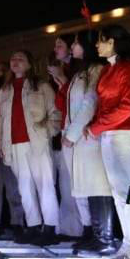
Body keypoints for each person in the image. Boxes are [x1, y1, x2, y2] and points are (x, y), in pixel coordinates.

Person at [88, 25, 130, 259]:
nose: (96, 45)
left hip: (125, 133)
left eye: (101, 40)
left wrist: (96, 126)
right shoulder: (108, 70)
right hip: (109, 134)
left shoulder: (127, 68)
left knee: (126, 191)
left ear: (113, 42)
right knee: (118, 192)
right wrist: (99, 127)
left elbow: (127, 107)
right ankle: (129, 242)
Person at [0, 50, 62, 244]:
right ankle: (33, 226)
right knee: (24, 188)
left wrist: (46, 131)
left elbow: (55, 113)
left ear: (30, 64)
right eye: (13, 59)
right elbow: (0, 120)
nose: (15, 61)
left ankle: (50, 228)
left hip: (37, 142)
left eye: (20, 59)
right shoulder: (4, 90)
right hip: (15, 145)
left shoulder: (41, 87)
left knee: (46, 185)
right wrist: (1, 143)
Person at [62, 30, 113, 255]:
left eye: (76, 43)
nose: (72, 46)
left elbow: (90, 103)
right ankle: (95, 234)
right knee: (88, 187)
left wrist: (72, 134)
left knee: (98, 186)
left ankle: (105, 237)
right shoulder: (81, 72)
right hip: (80, 136)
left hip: (91, 137)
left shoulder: (96, 70)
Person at [46, 35, 85, 238]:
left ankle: (83, 228)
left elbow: (74, 103)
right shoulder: (61, 73)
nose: (55, 48)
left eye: (59, 45)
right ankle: (69, 227)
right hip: (62, 132)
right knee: (65, 183)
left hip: (78, 133)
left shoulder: (79, 72)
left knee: (76, 183)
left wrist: (62, 81)